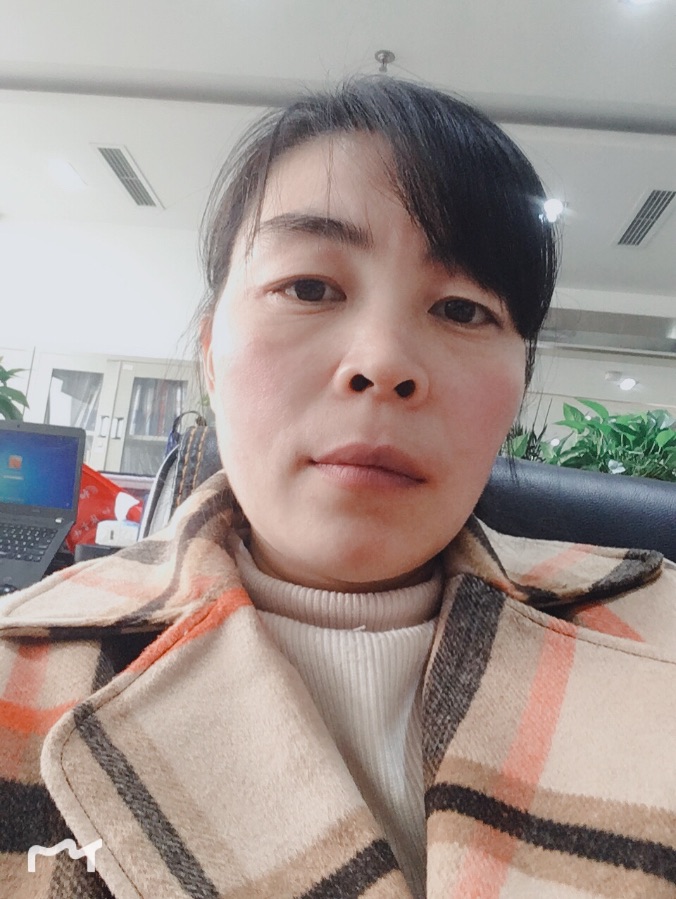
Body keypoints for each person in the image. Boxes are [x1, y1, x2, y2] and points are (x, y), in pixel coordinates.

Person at [1, 77, 676, 899]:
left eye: (463, 310)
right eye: (310, 288)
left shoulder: (658, 636)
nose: (383, 362)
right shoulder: (18, 669)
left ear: (520, 386)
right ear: (211, 352)